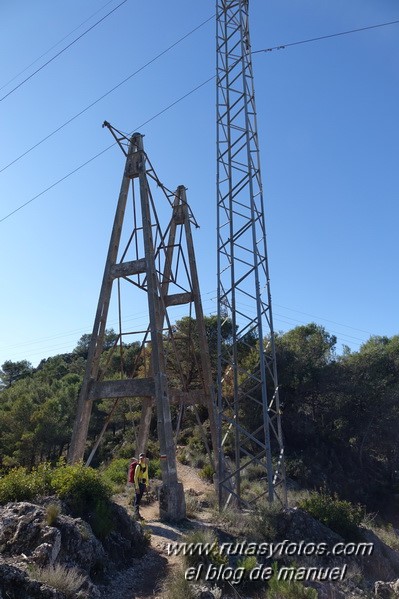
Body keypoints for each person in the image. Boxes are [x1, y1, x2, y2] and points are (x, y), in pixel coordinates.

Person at [133, 452, 149, 519]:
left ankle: (137, 514)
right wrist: (137, 487)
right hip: (139, 484)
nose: (142, 459)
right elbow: (135, 477)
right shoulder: (138, 466)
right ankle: (136, 515)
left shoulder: (146, 465)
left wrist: (147, 485)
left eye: (143, 458)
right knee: (137, 500)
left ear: (145, 458)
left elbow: (146, 476)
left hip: (143, 484)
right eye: (141, 458)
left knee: (139, 500)